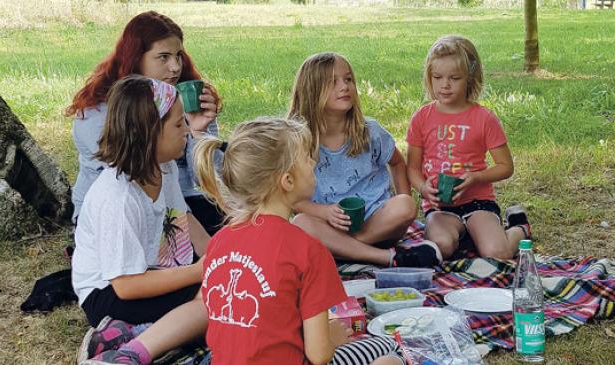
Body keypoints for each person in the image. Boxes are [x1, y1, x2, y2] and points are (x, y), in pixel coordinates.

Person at [193, 117, 403, 365]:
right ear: (288, 181)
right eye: (306, 158)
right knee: (390, 353)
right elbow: (319, 355)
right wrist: (332, 337)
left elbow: (214, 310)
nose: (313, 162)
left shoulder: (220, 241)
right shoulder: (307, 249)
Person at [74, 76, 208, 364]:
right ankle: (125, 350)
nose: (186, 129)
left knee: (221, 289)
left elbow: (183, 218)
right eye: (177, 124)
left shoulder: (165, 168)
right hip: (109, 293)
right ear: (149, 133)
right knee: (213, 303)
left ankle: (142, 333)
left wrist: (218, 256)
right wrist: (199, 272)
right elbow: (126, 285)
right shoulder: (118, 197)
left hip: (154, 271)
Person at [66, 11, 224, 236]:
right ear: (136, 58)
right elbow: (129, 174)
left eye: (178, 55)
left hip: (179, 201)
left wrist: (200, 133)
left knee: (238, 226)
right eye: (163, 57)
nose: (175, 67)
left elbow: (211, 181)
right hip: (119, 212)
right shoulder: (100, 111)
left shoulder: (187, 97)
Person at [289, 52, 440, 268]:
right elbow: (293, 201)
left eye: (348, 79)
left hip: (377, 225)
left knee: (405, 205)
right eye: (333, 82)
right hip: (328, 226)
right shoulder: (297, 142)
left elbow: (397, 163)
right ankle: (386, 258)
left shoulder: (369, 131)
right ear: (311, 91)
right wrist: (325, 213)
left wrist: (401, 198)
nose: (344, 87)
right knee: (301, 223)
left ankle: (344, 250)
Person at [406, 35, 531, 261]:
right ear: (429, 78)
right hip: (440, 208)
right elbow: (412, 169)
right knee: (441, 246)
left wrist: (475, 177)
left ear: (469, 79)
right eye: (437, 77)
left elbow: (506, 166)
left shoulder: (484, 118)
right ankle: (468, 236)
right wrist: (424, 189)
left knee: (497, 253)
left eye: (454, 78)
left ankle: (519, 228)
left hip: (479, 203)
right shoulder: (421, 118)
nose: (445, 84)